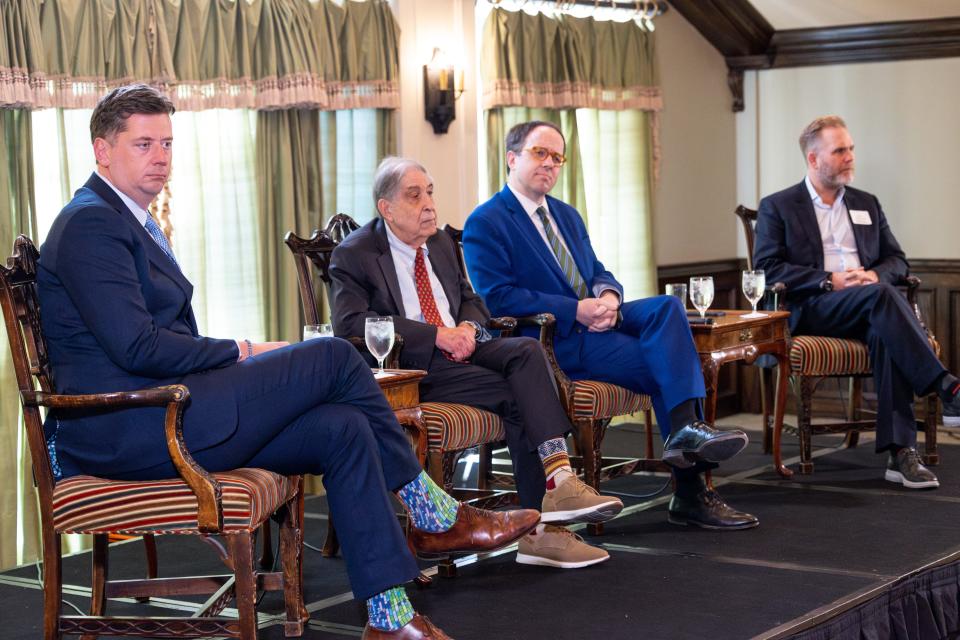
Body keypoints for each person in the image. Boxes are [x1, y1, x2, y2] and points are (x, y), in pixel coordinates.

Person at [36, 84, 540, 640]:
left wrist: (235, 358)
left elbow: (154, 341)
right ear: (102, 150)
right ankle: (433, 512)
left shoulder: (123, 218)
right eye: (144, 144)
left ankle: (389, 618)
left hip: (170, 409)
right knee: (330, 355)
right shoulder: (90, 223)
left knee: (343, 427)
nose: (161, 157)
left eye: (168, 144)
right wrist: (244, 351)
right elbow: (138, 347)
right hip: (128, 426)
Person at [329, 156, 623, 570]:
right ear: (387, 208)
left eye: (429, 192)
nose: (428, 203)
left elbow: (471, 299)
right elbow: (350, 324)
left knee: (526, 351)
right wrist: (436, 335)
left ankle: (558, 480)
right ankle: (541, 531)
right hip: (414, 367)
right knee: (522, 397)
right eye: (414, 196)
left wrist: (466, 326)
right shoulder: (356, 253)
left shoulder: (442, 243)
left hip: (462, 349)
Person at [463, 121, 757, 531]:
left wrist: (609, 298)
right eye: (539, 153)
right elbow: (498, 297)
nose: (549, 163)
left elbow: (598, 270)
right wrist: (576, 310)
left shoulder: (565, 214)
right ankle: (691, 492)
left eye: (557, 157)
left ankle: (687, 429)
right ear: (512, 158)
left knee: (667, 308)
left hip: (596, 320)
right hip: (553, 341)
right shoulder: (487, 221)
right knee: (667, 365)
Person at [753, 115, 960, 489]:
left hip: (868, 303)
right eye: (840, 150)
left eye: (851, 148)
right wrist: (829, 280)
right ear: (814, 159)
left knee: (884, 326)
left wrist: (875, 275)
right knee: (882, 300)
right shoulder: (779, 206)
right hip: (814, 307)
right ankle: (945, 386)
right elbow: (766, 269)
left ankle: (901, 455)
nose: (850, 156)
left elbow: (898, 260)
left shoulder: (867, 202)